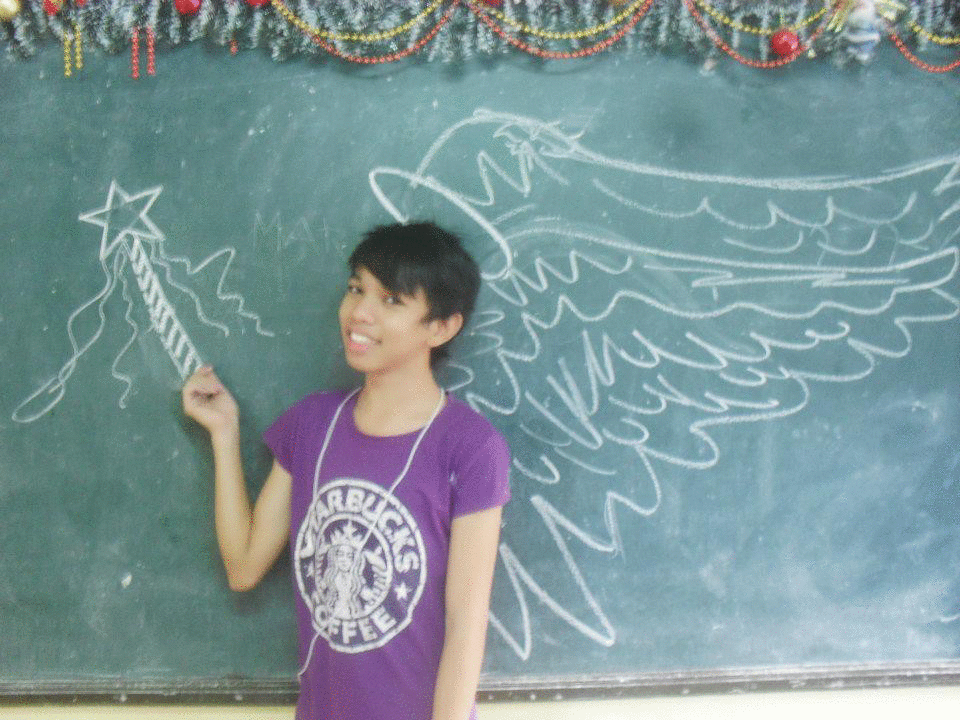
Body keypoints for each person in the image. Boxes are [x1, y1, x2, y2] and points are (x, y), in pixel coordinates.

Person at [182, 222, 511, 720]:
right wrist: (224, 435)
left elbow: (466, 624)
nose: (359, 312)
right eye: (356, 289)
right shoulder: (312, 424)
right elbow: (244, 567)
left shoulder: (469, 447)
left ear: (441, 327)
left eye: (391, 300)